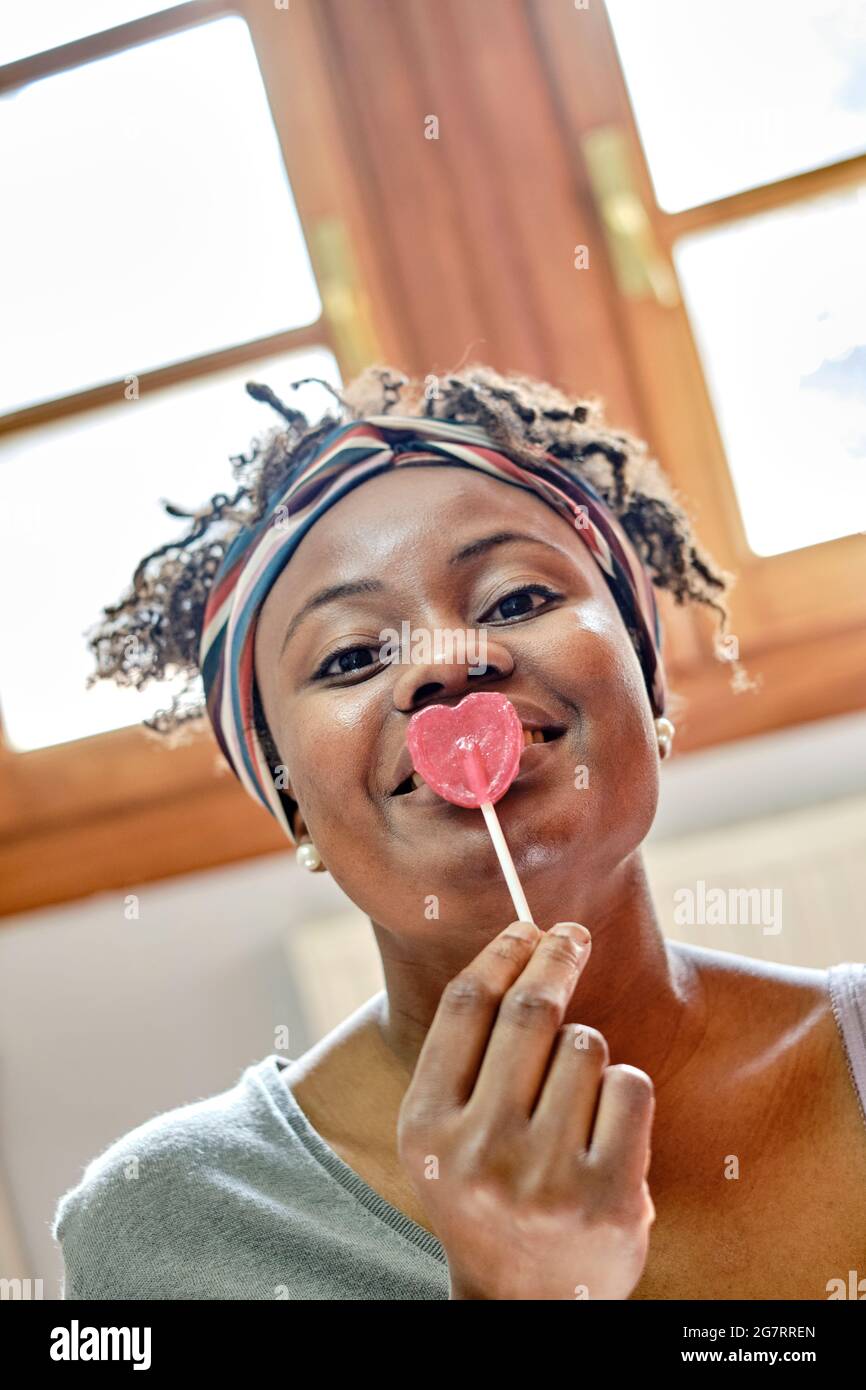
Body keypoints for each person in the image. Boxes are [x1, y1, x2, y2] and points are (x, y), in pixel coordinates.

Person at [53, 364, 866, 1300]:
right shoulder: (174, 1224)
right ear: (293, 806)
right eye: (353, 655)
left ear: (649, 689)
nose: (444, 666)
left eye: (517, 599)